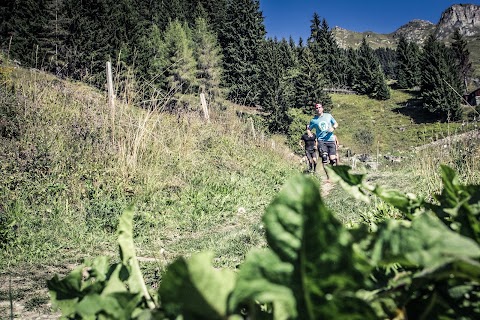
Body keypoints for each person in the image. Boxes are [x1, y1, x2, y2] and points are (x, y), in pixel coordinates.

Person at [309, 102, 338, 180]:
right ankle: (328, 177)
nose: (318, 109)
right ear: (315, 110)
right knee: (324, 157)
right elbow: (309, 129)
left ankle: (332, 170)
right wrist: (309, 133)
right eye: (316, 108)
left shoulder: (328, 116)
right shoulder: (314, 120)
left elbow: (336, 123)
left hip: (331, 139)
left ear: (322, 108)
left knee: (333, 159)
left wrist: (333, 128)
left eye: (319, 107)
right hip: (321, 141)